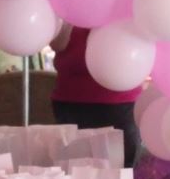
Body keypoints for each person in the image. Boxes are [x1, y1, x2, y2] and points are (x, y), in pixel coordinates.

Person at [50, 23, 142, 166]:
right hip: (72, 101)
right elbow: (57, 44)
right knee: (75, 169)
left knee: (120, 170)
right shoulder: (70, 12)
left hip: (119, 101)